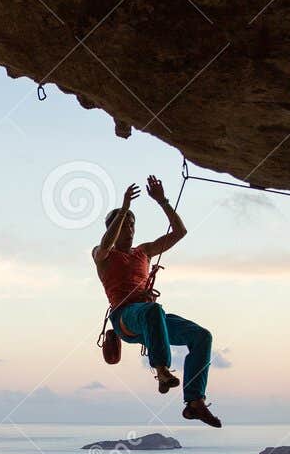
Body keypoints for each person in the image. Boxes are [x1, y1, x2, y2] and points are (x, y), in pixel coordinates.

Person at [92, 176, 221, 427]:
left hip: (152, 320)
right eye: (122, 224)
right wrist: (125, 208)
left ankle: (195, 402)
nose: (128, 227)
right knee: (153, 310)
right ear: (112, 228)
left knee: (202, 336)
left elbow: (180, 232)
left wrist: (163, 202)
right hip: (125, 318)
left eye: (131, 223)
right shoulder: (102, 254)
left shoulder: (144, 251)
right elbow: (106, 243)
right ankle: (162, 371)